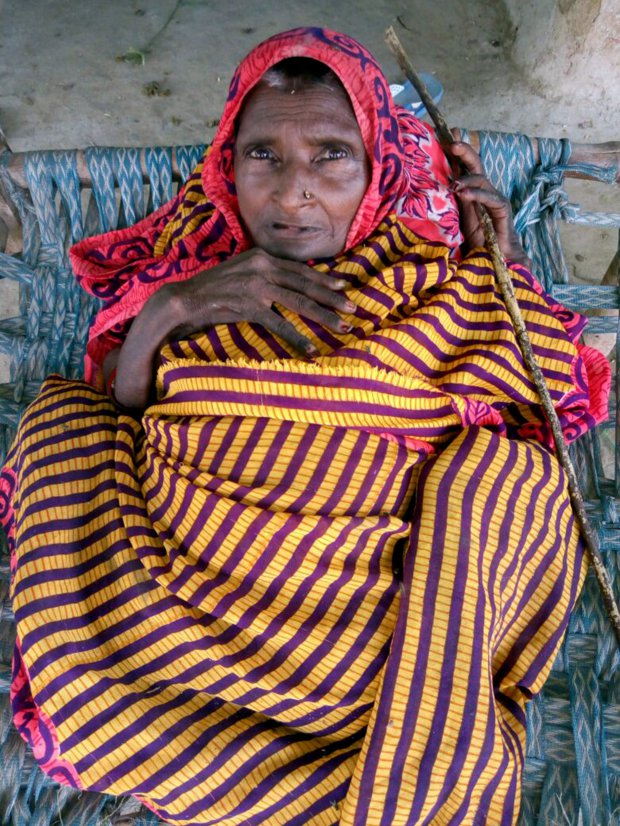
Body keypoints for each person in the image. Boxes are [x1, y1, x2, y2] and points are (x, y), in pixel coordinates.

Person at [0, 26, 610, 826]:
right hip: (180, 619)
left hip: (371, 642)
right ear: (228, 160)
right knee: (61, 424)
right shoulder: (189, 265)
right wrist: (174, 309)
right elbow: (120, 415)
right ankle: (390, 778)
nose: (294, 193)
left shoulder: (435, 276)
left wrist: (501, 263)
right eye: (264, 156)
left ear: (377, 166)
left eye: (331, 155)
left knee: (512, 480)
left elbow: (543, 404)